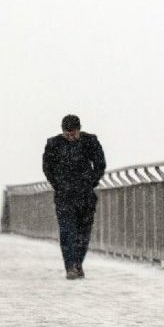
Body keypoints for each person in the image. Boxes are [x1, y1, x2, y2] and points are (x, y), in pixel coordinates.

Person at [42, 114, 106, 280]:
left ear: (79, 130)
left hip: (85, 195)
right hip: (65, 196)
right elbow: (47, 168)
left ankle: (78, 262)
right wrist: (58, 184)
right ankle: (70, 266)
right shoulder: (53, 144)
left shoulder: (90, 141)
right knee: (67, 231)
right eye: (67, 134)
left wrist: (91, 182)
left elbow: (100, 164)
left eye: (73, 133)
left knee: (84, 232)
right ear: (63, 131)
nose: (71, 137)